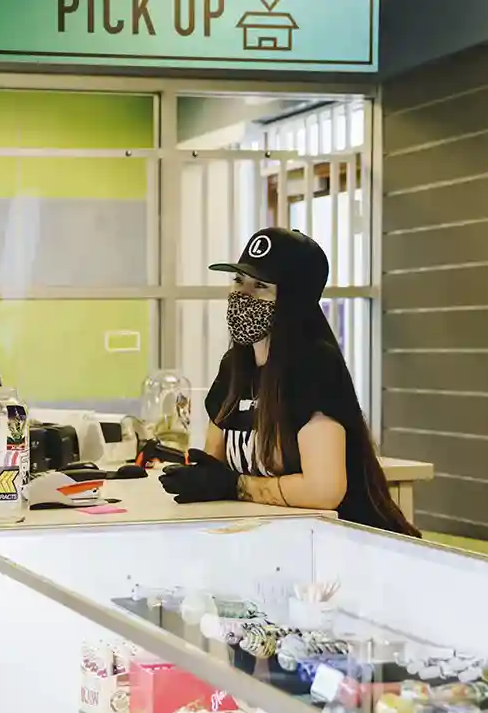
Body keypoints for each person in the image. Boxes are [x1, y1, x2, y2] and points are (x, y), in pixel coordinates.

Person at [159, 227, 418, 537]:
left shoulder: (315, 366)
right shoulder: (235, 367)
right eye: (239, 281)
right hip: (277, 541)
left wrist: (237, 485)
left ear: (293, 301)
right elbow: (213, 466)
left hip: (347, 547)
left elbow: (323, 490)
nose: (243, 296)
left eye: (261, 287)